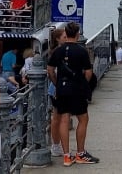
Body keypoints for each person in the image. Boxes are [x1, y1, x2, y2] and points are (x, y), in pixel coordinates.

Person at [47, 22, 99, 166]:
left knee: (64, 119)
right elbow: (88, 72)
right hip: (77, 88)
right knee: (83, 119)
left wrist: (57, 83)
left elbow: (50, 70)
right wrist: (84, 84)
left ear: (67, 34)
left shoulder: (58, 51)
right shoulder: (82, 51)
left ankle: (66, 156)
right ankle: (81, 153)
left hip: (62, 88)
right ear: (77, 34)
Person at [48, 28, 67, 158]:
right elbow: (51, 71)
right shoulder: (57, 52)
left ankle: (57, 145)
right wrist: (56, 85)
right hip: (56, 88)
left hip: (60, 87)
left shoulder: (63, 51)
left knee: (60, 117)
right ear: (58, 39)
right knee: (57, 117)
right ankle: (55, 145)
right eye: (64, 37)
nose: (66, 38)